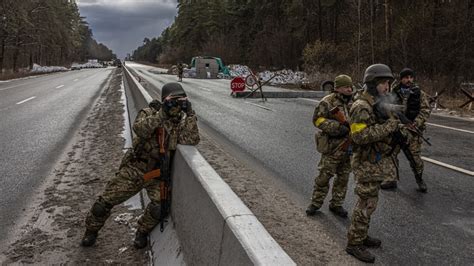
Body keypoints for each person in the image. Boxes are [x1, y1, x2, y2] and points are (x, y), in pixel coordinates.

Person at [81, 82, 200, 249]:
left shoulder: (179, 122)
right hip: (135, 169)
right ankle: (91, 231)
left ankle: (142, 231)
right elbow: (140, 129)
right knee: (104, 204)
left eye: (181, 100)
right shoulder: (150, 113)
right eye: (174, 100)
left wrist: (190, 114)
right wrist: (162, 114)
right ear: (164, 100)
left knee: (160, 208)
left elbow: (191, 139)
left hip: (156, 174)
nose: (177, 104)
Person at [346, 64, 399, 263]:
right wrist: (388, 127)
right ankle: (354, 244)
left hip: (373, 162)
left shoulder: (375, 102)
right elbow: (359, 136)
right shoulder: (361, 106)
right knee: (366, 203)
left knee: (370, 203)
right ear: (372, 83)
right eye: (384, 83)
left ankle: (361, 235)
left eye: (388, 83)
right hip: (365, 163)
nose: (387, 87)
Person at [306, 75, 353, 218]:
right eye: (346, 87)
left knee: (343, 178)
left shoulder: (355, 102)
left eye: (351, 87)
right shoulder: (328, 102)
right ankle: (315, 203)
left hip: (348, 146)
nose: (349, 89)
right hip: (332, 147)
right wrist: (337, 127)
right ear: (337, 88)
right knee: (324, 177)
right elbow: (317, 120)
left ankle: (337, 204)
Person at [380, 68, 430, 192]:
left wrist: (416, 123)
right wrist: (393, 122)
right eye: (406, 77)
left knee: (414, 158)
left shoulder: (419, 93)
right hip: (396, 129)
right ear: (401, 79)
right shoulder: (393, 92)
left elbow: (425, 110)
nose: (409, 80)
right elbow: (385, 109)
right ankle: (391, 179)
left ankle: (419, 180)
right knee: (389, 153)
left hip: (413, 131)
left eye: (411, 77)